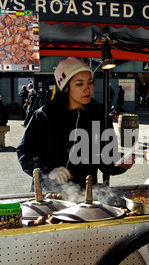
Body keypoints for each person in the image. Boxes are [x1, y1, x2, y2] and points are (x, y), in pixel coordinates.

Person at [17, 57, 135, 191]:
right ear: (65, 88)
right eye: (79, 84)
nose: (87, 89)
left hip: (86, 193)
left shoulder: (98, 115)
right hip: (48, 193)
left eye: (90, 82)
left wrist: (120, 164)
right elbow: (25, 153)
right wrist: (48, 171)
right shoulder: (44, 115)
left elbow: (106, 158)